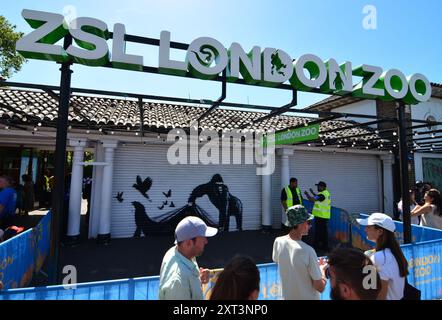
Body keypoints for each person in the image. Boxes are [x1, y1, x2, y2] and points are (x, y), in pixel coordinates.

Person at [272, 205, 327, 300]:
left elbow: (282, 261)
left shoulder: (278, 241)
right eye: (308, 222)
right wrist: (322, 270)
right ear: (300, 223)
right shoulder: (308, 251)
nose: (310, 225)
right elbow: (320, 287)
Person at [159, 216, 218, 300]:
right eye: (202, 238)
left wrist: (198, 279)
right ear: (189, 243)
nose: (206, 241)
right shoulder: (178, 283)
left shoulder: (178, 252)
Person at [356, 213, 408, 300]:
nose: (365, 229)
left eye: (369, 226)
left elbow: (379, 296)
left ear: (380, 231)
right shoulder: (391, 253)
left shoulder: (380, 258)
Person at [304, 181, 331, 251]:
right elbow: (317, 197)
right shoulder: (324, 193)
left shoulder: (322, 195)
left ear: (323, 187)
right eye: (317, 186)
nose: (318, 187)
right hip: (322, 216)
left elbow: (312, 199)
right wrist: (312, 192)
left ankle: (320, 246)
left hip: (321, 216)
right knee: (322, 232)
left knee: (320, 232)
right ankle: (322, 245)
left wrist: (307, 194)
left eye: (319, 186)